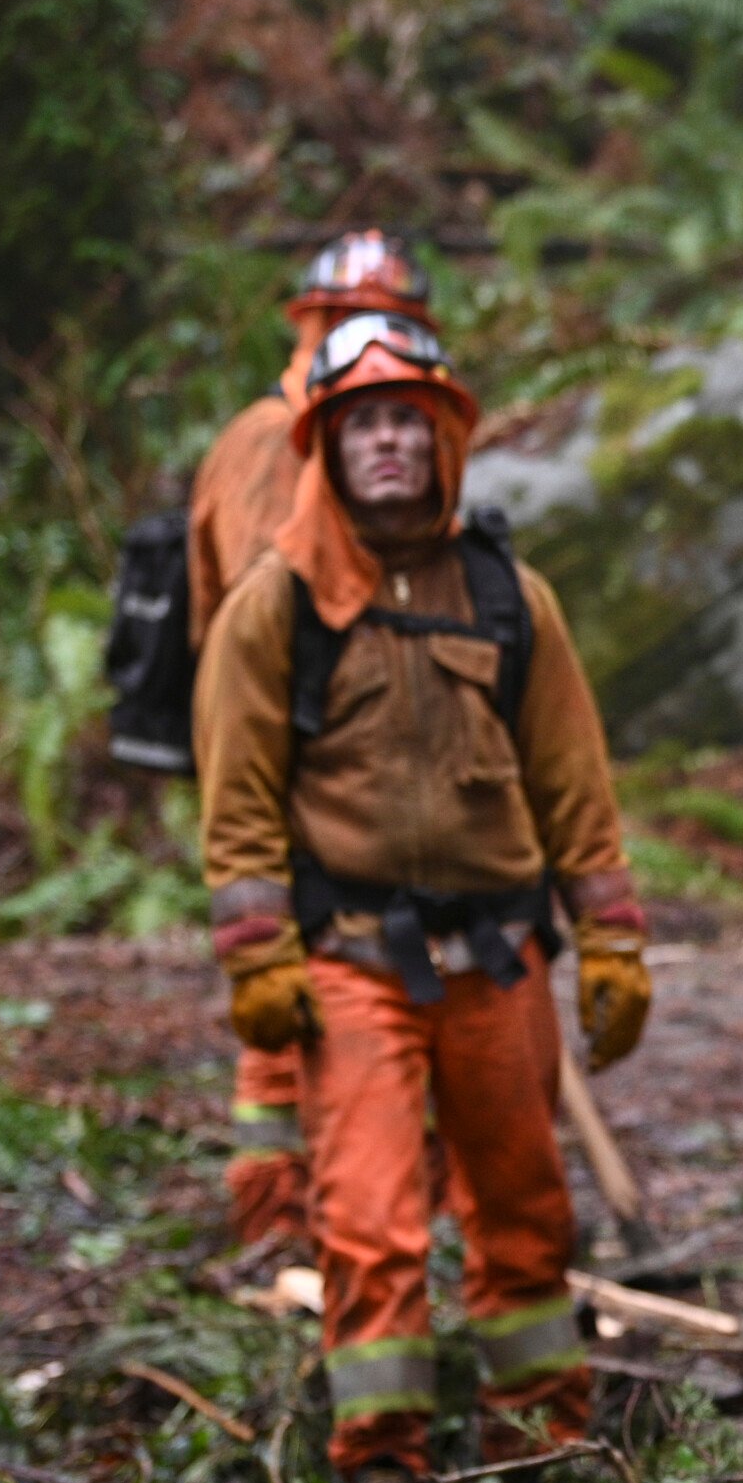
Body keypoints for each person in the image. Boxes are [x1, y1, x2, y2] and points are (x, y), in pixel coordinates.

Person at [193, 314, 652, 1483]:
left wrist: (608, 937)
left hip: (498, 960)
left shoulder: (510, 596)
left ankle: (541, 1436)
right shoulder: (275, 605)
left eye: (408, 421)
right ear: (324, 450)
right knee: (372, 1217)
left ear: (444, 437)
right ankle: (381, 1464)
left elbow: (573, 780)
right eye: (361, 426)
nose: (387, 444)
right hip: (350, 962)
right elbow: (234, 798)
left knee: (524, 1205)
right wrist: (257, 958)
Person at [186, 230, 438, 1258]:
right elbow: (247, 607)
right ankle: (278, 1219)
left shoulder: (380, 435)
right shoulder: (271, 440)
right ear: (317, 328)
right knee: (286, 985)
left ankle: (379, 1205)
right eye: (353, 324)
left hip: (365, 763)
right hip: (288, 759)